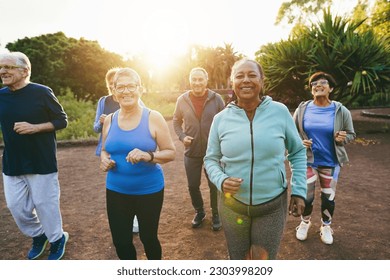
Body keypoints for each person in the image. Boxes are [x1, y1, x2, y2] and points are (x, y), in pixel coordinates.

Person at [204, 58, 307, 260]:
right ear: (231, 82)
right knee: (239, 260)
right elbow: (211, 159)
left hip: (271, 206)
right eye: (239, 76)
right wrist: (221, 180)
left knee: (263, 262)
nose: (246, 80)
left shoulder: (280, 112)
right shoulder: (220, 119)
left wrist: (299, 190)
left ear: (262, 80)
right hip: (232, 206)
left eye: (252, 75)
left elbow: (297, 152)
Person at [100, 67, 175, 260]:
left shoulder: (153, 117)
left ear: (140, 89)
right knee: (121, 241)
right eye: (120, 87)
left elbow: (171, 153)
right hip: (116, 190)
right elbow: (106, 148)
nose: (126, 91)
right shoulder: (109, 120)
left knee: (148, 238)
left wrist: (148, 155)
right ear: (114, 93)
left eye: (131, 86)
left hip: (148, 190)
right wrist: (104, 159)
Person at [0, 52, 69, 260]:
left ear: (25, 71)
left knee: (45, 204)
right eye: (1, 67)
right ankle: (39, 234)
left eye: (9, 67)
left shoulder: (42, 92)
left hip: (41, 160)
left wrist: (35, 128)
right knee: (16, 207)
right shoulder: (1, 95)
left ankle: (57, 238)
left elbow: (61, 121)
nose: (3, 71)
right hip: (12, 161)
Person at [293, 71, 356, 245]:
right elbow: (291, 134)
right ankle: (304, 223)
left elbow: (351, 134)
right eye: (314, 84)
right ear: (311, 90)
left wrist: (342, 138)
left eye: (322, 82)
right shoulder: (302, 108)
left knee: (329, 196)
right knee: (307, 195)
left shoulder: (340, 110)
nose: (318, 85)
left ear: (331, 88)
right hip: (308, 160)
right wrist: (300, 142)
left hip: (330, 162)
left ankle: (326, 226)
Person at [173, 67, 225, 231]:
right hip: (192, 151)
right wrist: (182, 137)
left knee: (214, 185)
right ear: (190, 80)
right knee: (193, 185)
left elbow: (226, 122)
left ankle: (216, 214)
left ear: (206, 80)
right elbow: (176, 121)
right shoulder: (182, 100)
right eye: (194, 79)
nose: (197, 82)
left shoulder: (217, 99)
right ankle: (200, 212)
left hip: (213, 152)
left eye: (200, 79)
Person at [93, 67, 142, 233]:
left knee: (134, 183)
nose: (121, 89)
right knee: (119, 185)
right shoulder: (103, 101)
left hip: (131, 148)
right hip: (111, 149)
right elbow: (95, 128)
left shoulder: (133, 98)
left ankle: (136, 219)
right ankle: (125, 219)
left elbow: (143, 119)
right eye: (112, 83)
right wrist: (102, 122)